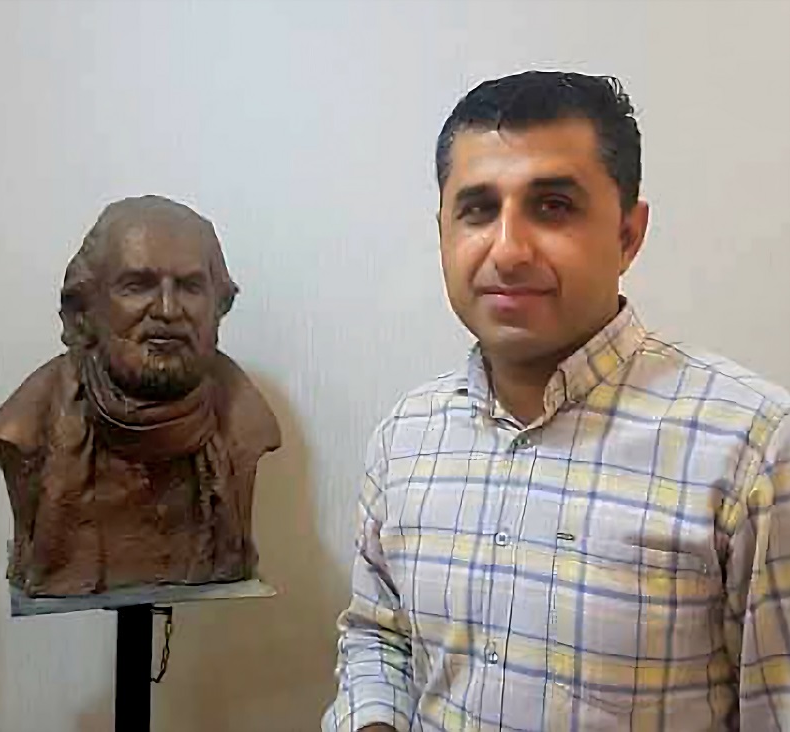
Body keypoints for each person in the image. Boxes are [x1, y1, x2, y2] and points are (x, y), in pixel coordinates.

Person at [322, 71, 790, 731]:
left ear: (628, 234)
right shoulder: (406, 437)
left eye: (552, 206)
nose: (508, 250)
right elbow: (380, 636)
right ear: (443, 231)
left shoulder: (753, 446)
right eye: (478, 209)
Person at [0, 195, 280, 597]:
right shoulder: (24, 432)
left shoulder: (245, 426)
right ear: (84, 309)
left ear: (219, 306)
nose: (168, 310)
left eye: (190, 287)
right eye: (137, 286)